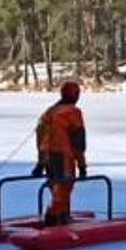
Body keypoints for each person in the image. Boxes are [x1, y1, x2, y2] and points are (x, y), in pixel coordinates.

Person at [32, 81, 87, 226]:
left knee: (56, 187)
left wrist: (40, 162)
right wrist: (82, 165)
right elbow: (78, 142)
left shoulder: (49, 112)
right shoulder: (73, 112)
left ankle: (63, 215)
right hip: (63, 156)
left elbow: (40, 138)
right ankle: (52, 217)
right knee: (64, 186)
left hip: (48, 156)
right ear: (75, 95)